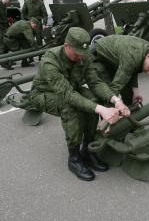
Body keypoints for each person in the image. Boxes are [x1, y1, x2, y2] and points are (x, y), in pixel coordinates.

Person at [29, 27, 128, 181]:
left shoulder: (83, 55)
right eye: (76, 53)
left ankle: (87, 151)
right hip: (44, 94)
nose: (80, 57)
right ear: (66, 46)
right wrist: (102, 110)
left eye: (82, 53)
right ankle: (74, 158)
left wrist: (115, 100)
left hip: (71, 89)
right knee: (72, 108)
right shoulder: (50, 61)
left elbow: (95, 83)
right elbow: (68, 95)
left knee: (93, 100)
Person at [92, 35, 149, 116]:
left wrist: (135, 92)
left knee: (129, 94)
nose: (148, 73)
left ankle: (130, 122)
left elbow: (134, 68)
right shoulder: (132, 57)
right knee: (108, 93)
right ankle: (107, 124)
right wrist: (114, 104)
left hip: (113, 60)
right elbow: (116, 86)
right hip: (97, 56)